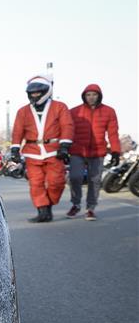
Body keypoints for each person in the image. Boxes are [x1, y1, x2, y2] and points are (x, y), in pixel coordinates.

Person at [10, 75, 74, 222]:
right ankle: (43, 211)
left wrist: (64, 145)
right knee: (36, 183)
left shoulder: (59, 107)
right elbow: (17, 131)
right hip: (32, 152)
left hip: (54, 151)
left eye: (38, 92)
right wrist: (15, 149)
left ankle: (48, 204)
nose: (35, 95)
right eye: (32, 93)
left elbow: (67, 126)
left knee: (56, 182)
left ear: (46, 91)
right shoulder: (23, 111)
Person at [66, 84, 120, 221]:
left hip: (98, 151)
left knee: (94, 180)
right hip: (78, 150)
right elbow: (67, 131)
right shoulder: (74, 112)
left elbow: (113, 133)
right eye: (88, 95)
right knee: (75, 177)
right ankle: (76, 204)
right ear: (84, 96)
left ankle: (90, 208)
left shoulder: (109, 111)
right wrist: (64, 149)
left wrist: (115, 151)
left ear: (99, 96)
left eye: (94, 94)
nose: (91, 97)